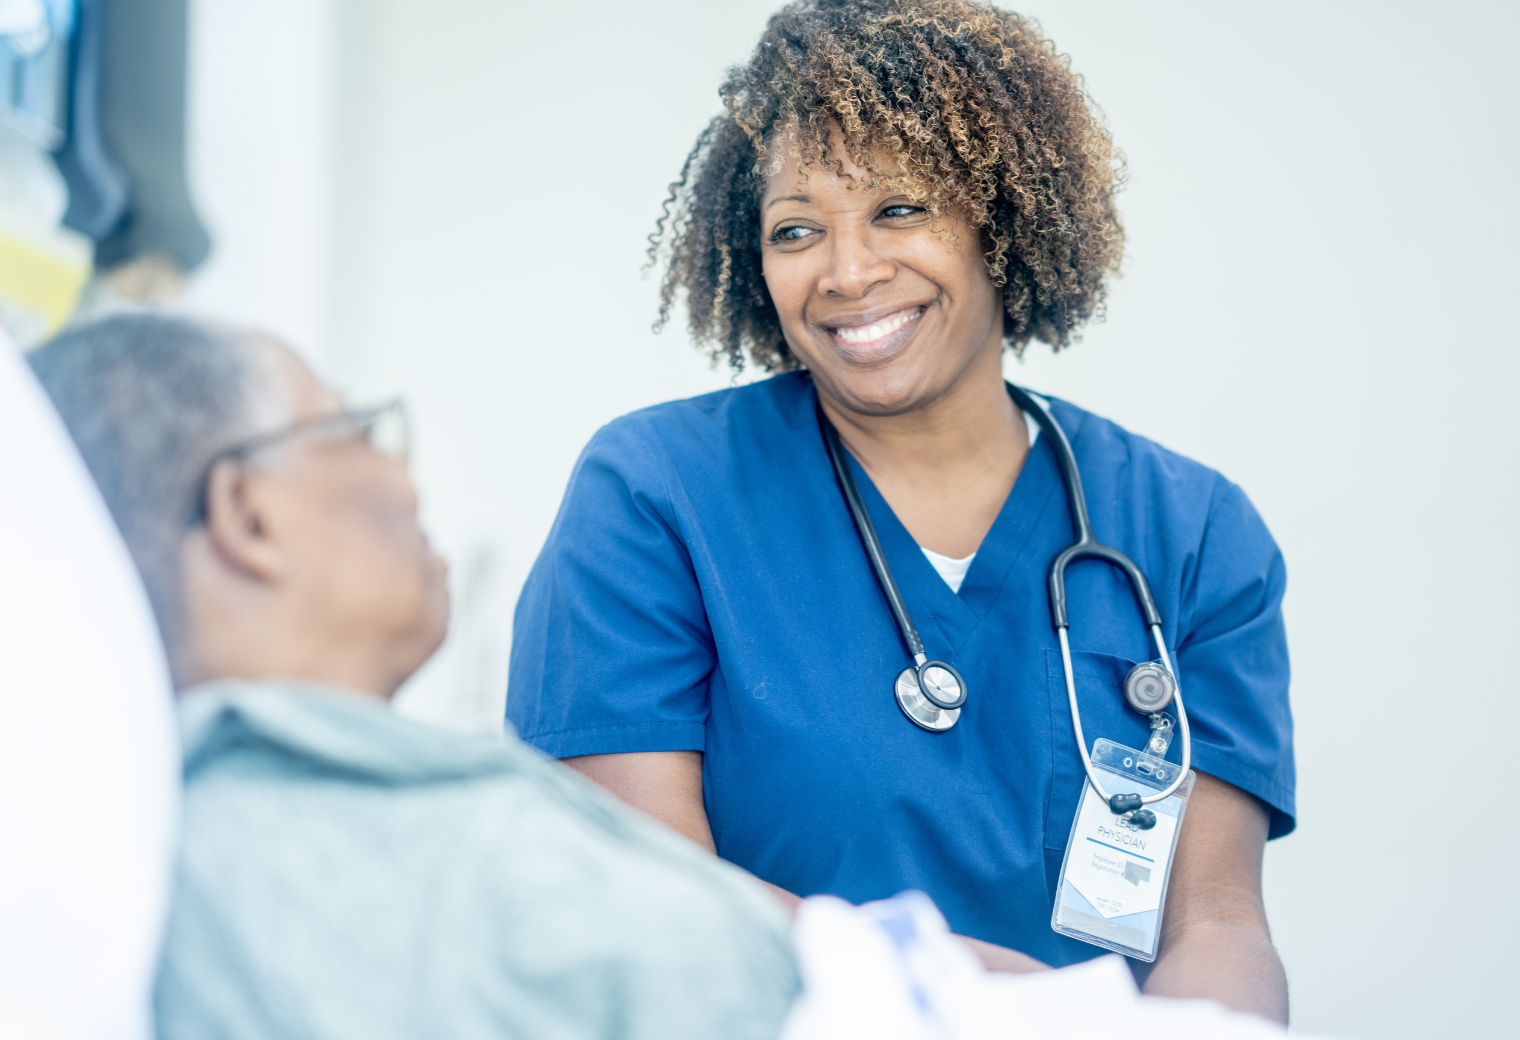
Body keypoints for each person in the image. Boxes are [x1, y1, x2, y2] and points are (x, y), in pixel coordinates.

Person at [507, 0, 1293, 1022]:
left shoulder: (1187, 531)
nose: (845, 272)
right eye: (795, 229)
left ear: (998, 219)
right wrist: (967, 996)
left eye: (898, 210)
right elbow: (644, 891)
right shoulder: (658, 491)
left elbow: (1216, 922)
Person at [28, 312, 799, 1040]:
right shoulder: (432, 883)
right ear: (248, 515)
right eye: (355, 432)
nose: (408, 483)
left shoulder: (140, 859)